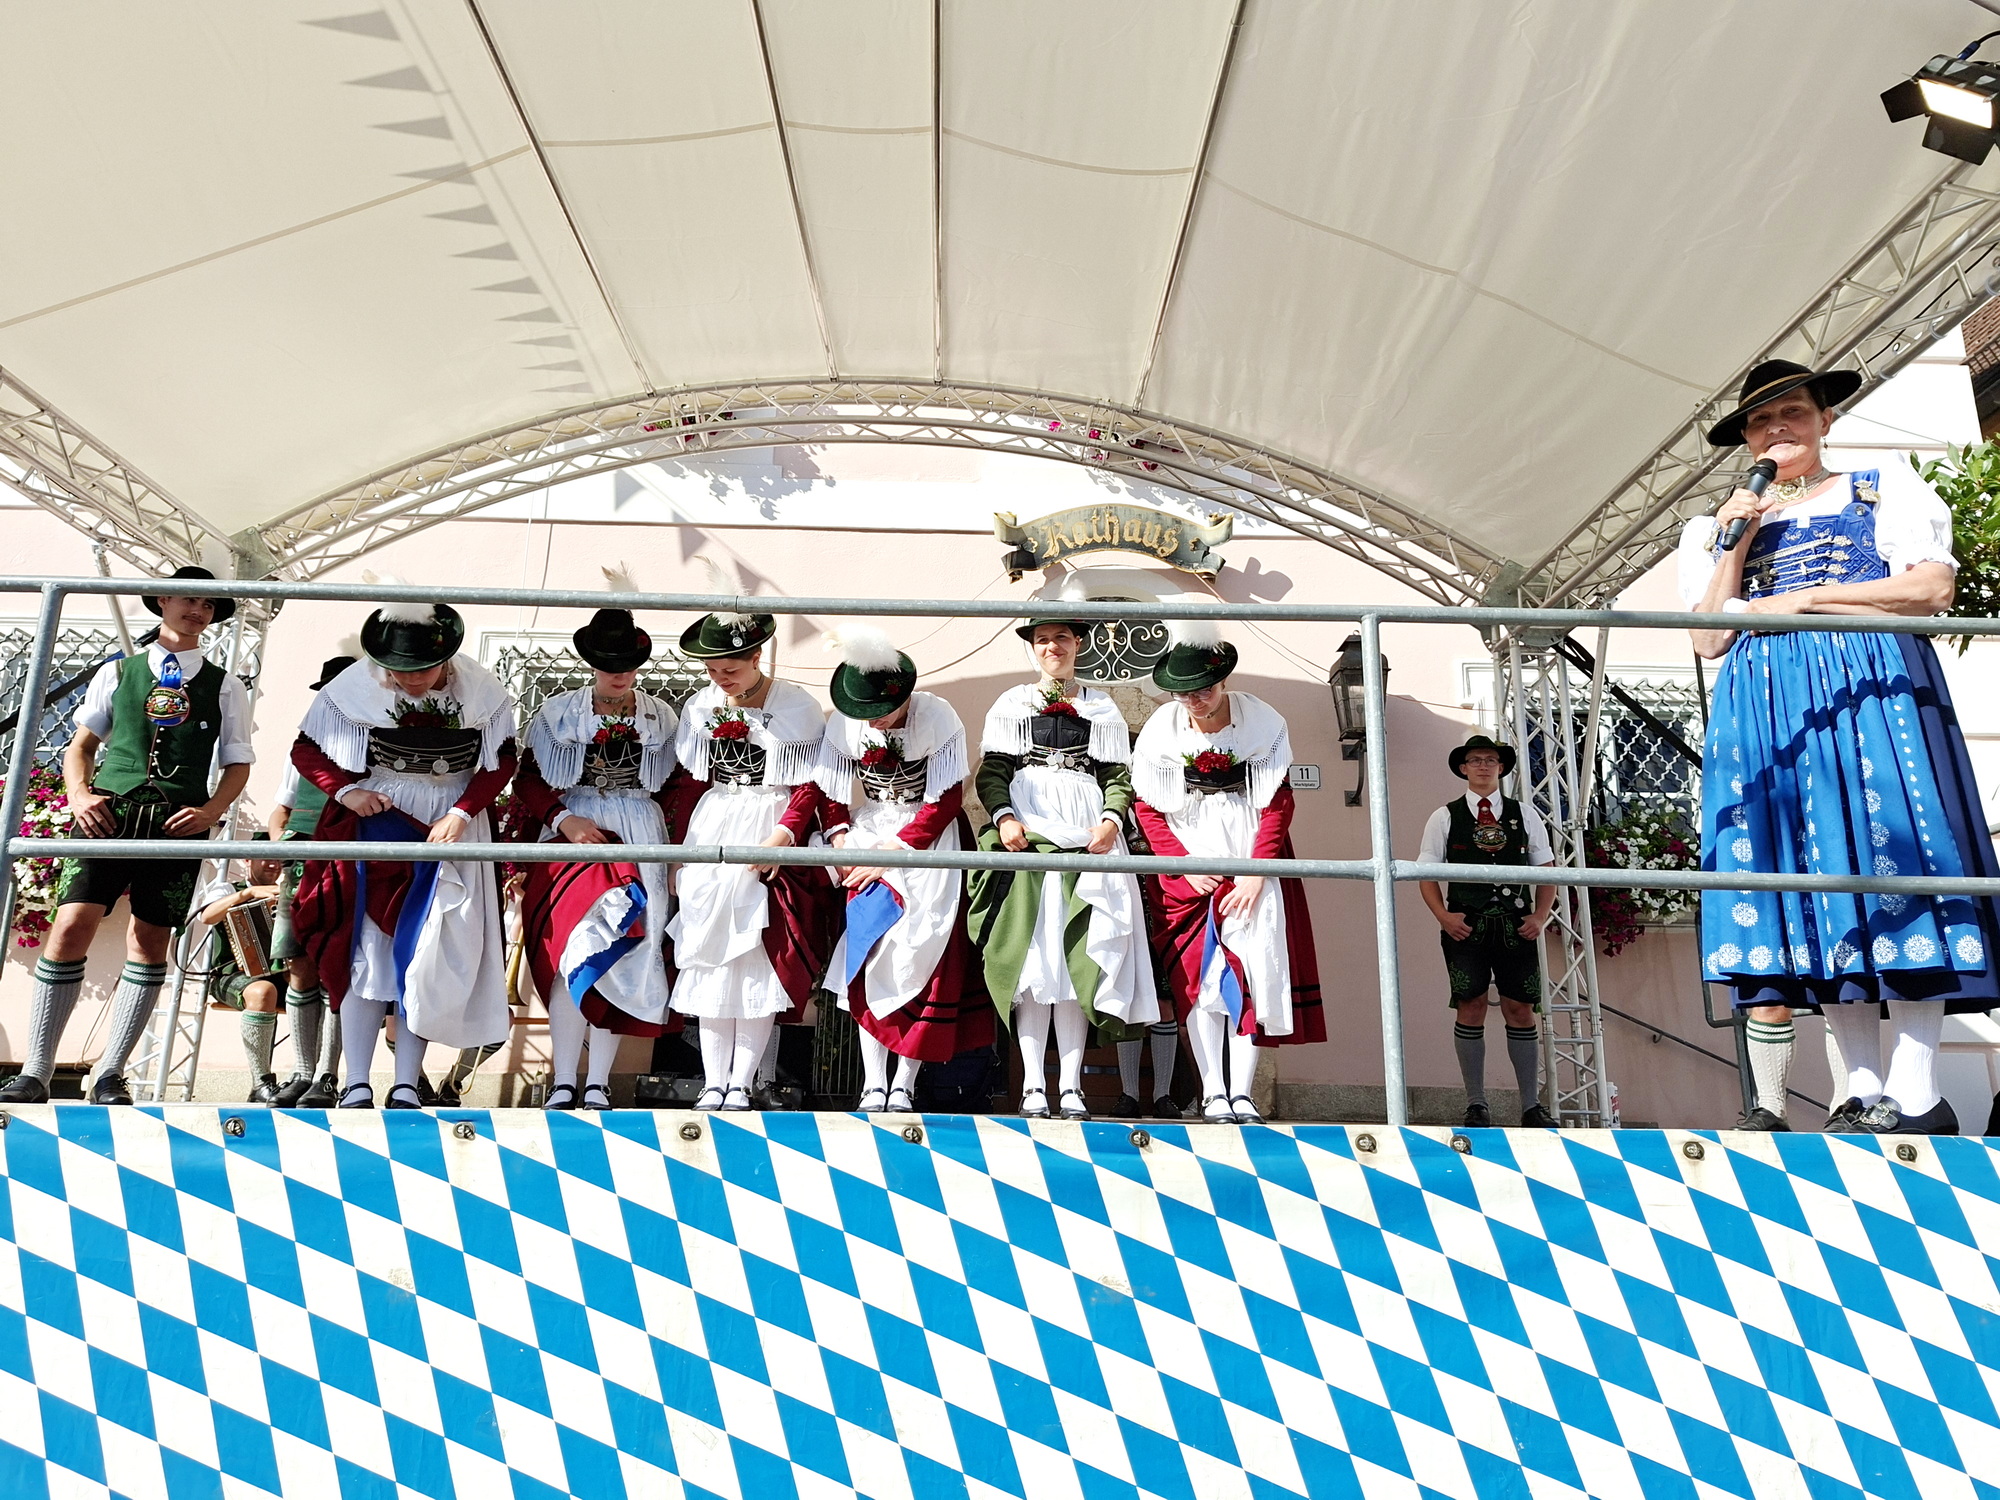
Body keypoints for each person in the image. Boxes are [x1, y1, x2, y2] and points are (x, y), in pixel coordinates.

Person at [1683, 358, 2000, 1135]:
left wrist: (1809, 599)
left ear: (1825, 419)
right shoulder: (1716, 526)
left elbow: (1930, 589)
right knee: (1815, 888)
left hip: (1869, 692)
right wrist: (1735, 542)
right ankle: (1860, 1090)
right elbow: (1708, 638)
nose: (1777, 429)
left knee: (1899, 870)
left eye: (1792, 411)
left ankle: (1919, 1093)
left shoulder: (1881, 488)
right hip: (1768, 708)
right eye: (1760, 421)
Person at [1, 567, 254, 1106]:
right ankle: (37, 1071)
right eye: (189, 599)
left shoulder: (226, 685)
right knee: (70, 926)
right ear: (162, 600)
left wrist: (211, 810)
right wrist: (78, 795)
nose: (197, 611)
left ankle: (111, 1073)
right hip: (107, 815)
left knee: (150, 939)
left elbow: (237, 761)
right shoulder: (118, 670)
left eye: (208, 606)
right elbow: (81, 745)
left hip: (176, 824)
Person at [290, 599, 518, 1108]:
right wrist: (347, 791)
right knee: (368, 952)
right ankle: (355, 1082)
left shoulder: (481, 689)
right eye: (399, 670)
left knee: (428, 953)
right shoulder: (351, 686)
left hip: (451, 822)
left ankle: (407, 1084)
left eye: (423, 669)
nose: (411, 680)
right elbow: (306, 749)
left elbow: (503, 759)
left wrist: (463, 812)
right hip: (381, 819)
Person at [1130, 622, 1324, 1122]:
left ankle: (1242, 1093)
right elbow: (1147, 808)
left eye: (1204, 690)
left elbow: (1278, 804)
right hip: (1189, 866)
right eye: (1183, 693)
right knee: (1199, 981)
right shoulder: (1161, 731)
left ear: (1222, 682)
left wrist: (1256, 873)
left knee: (1251, 974)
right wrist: (1183, 866)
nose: (1194, 701)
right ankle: (1213, 1091)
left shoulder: (1262, 722)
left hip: (1249, 859)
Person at [969, 612, 1159, 1121]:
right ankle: (1033, 1085)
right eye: (1042, 639)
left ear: (1078, 643)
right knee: (1035, 960)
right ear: (1032, 648)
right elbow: (993, 771)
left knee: (1078, 960)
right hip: (1030, 834)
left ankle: (1072, 1087)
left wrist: (1112, 820)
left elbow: (1117, 775)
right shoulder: (1012, 702)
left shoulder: (1102, 705)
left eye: (1061, 638)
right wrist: (1004, 816)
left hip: (1087, 835)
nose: (1052, 646)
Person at [811, 626, 991, 1111]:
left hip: (925, 840)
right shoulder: (845, 724)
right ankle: (873, 1081)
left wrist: (895, 850)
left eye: (880, 711)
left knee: (924, 954)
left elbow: (946, 799)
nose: (871, 722)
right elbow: (831, 792)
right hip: (869, 833)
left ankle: (904, 1083)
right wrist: (841, 840)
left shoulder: (937, 715)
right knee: (871, 952)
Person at [511, 606, 682, 1110]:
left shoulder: (662, 717)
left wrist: (675, 850)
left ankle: (599, 1083)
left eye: (627, 664)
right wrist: (564, 820)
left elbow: (677, 784)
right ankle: (564, 1078)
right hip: (574, 831)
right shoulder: (558, 712)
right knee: (573, 949)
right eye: (609, 664)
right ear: (591, 663)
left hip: (638, 830)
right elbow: (527, 780)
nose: (619, 673)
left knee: (626, 949)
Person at [666, 600, 832, 1111]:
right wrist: (678, 855)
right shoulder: (701, 706)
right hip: (715, 822)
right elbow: (690, 783)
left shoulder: (797, 706)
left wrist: (783, 835)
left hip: (768, 820)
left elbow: (811, 783)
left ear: (757, 657)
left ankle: (741, 1083)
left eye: (730, 670)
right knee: (709, 957)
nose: (721, 680)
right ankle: (713, 1081)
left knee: (757, 956)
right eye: (712, 671)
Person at [1417, 735, 1558, 1129]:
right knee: (1471, 1004)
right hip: (1466, 928)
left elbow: (1547, 870)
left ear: (1501, 767)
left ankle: (1531, 1106)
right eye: (1475, 760)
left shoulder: (1524, 814)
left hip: (1516, 926)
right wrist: (1444, 917)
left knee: (1520, 1008)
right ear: (1463, 768)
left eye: (1490, 760)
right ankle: (1476, 1104)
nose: (1483, 766)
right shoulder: (1444, 816)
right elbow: (1425, 874)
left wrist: (1540, 916)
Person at [265, 653, 354, 1107]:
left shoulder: (372, 746)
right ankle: (302, 1072)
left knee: (337, 965)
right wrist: (279, 849)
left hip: (347, 860)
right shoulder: (303, 746)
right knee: (298, 963)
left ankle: (328, 1075)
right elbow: (280, 810)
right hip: (300, 861)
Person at [190, 836, 292, 1102]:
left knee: (321, 991)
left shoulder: (290, 891)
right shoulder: (226, 888)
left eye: (279, 859)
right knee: (262, 991)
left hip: (282, 976)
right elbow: (206, 916)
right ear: (248, 859)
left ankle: (307, 1078)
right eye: (265, 857)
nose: (273, 864)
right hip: (230, 975)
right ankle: (261, 1083)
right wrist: (246, 894)